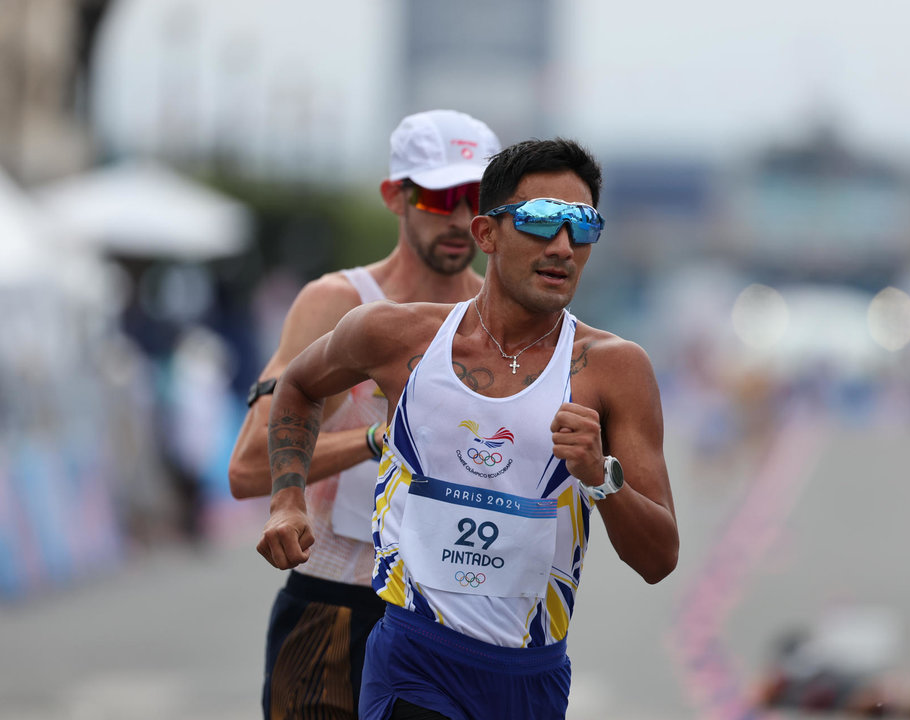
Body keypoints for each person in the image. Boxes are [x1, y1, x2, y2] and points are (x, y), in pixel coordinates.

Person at [257, 138, 680, 720]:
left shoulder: (615, 369)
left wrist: (599, 477)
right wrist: (287, 501)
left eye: (582, 227)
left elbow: (659, 558)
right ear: (487, 235)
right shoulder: (397, 336)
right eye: (539, 222)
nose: (562, 246)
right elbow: (298, 387)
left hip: (529, 676)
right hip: (413, 660)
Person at [229, 109, 500, 720]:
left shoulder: (500, 315)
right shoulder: (339, 302)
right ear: (394, 197)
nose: (460, 218)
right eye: (439, 197)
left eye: (477, 198)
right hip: (334, 607)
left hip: (455, 618)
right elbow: (247, 469)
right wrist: (380, 439)